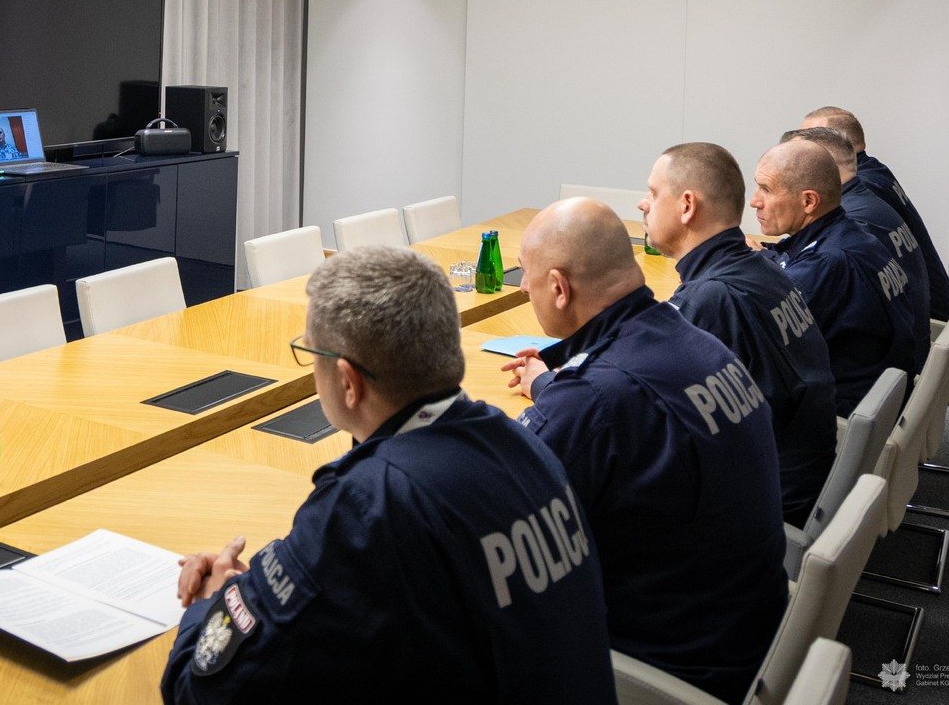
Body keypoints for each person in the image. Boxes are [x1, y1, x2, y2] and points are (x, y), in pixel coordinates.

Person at [162, 245, 617, 705]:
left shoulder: (369, 505)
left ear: (347, 381)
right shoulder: (520, 441)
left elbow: (201, 692)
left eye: (310, 353)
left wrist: (216, 602)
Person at [503, 198, 787, 704]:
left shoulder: (594, 399)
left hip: (673, 669)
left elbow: (497, 524)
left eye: (527, 273)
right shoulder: (699, 343)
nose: (523, 286)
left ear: (560, 288)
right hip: (751, 634)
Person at [639, 143, 835, 527]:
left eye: (653, 193)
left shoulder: (712, 299)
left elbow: (638, 411)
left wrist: (550, 382)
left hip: (763, 509)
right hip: (800, 479)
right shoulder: (760, 267)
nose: (643, 204)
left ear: (687, 206)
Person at [751, 140, 918, 415]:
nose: (754, 201)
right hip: (874, 398)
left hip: (836, 414)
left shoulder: (827, 263)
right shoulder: (849, 234)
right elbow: (794, 260)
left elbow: (755, 336)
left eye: (766, 189)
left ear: (808, 201)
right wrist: (756, 257)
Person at [783, 126, 930, 373]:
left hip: (875, 375)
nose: (756, 201)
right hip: (899, 361)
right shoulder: (860, 207)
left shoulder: (851, 227)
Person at [801, 106, 949, 319]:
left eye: (810, 140)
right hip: (924, 310)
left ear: (835, 145)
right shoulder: (873, 171)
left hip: (928, 321)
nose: (799, 150)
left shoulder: (860, 191)